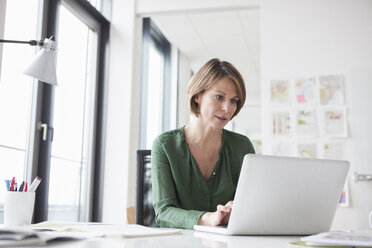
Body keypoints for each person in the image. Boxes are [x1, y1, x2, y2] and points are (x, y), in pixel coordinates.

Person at [151, 58, 255, 229]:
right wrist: (208, 218)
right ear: (198, 95)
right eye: (219, 97)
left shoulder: (242, 147)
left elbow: (251, 204)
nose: (227, 108)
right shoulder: (165, 146)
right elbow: (164, 212)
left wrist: (235, 210)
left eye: (233, 101)